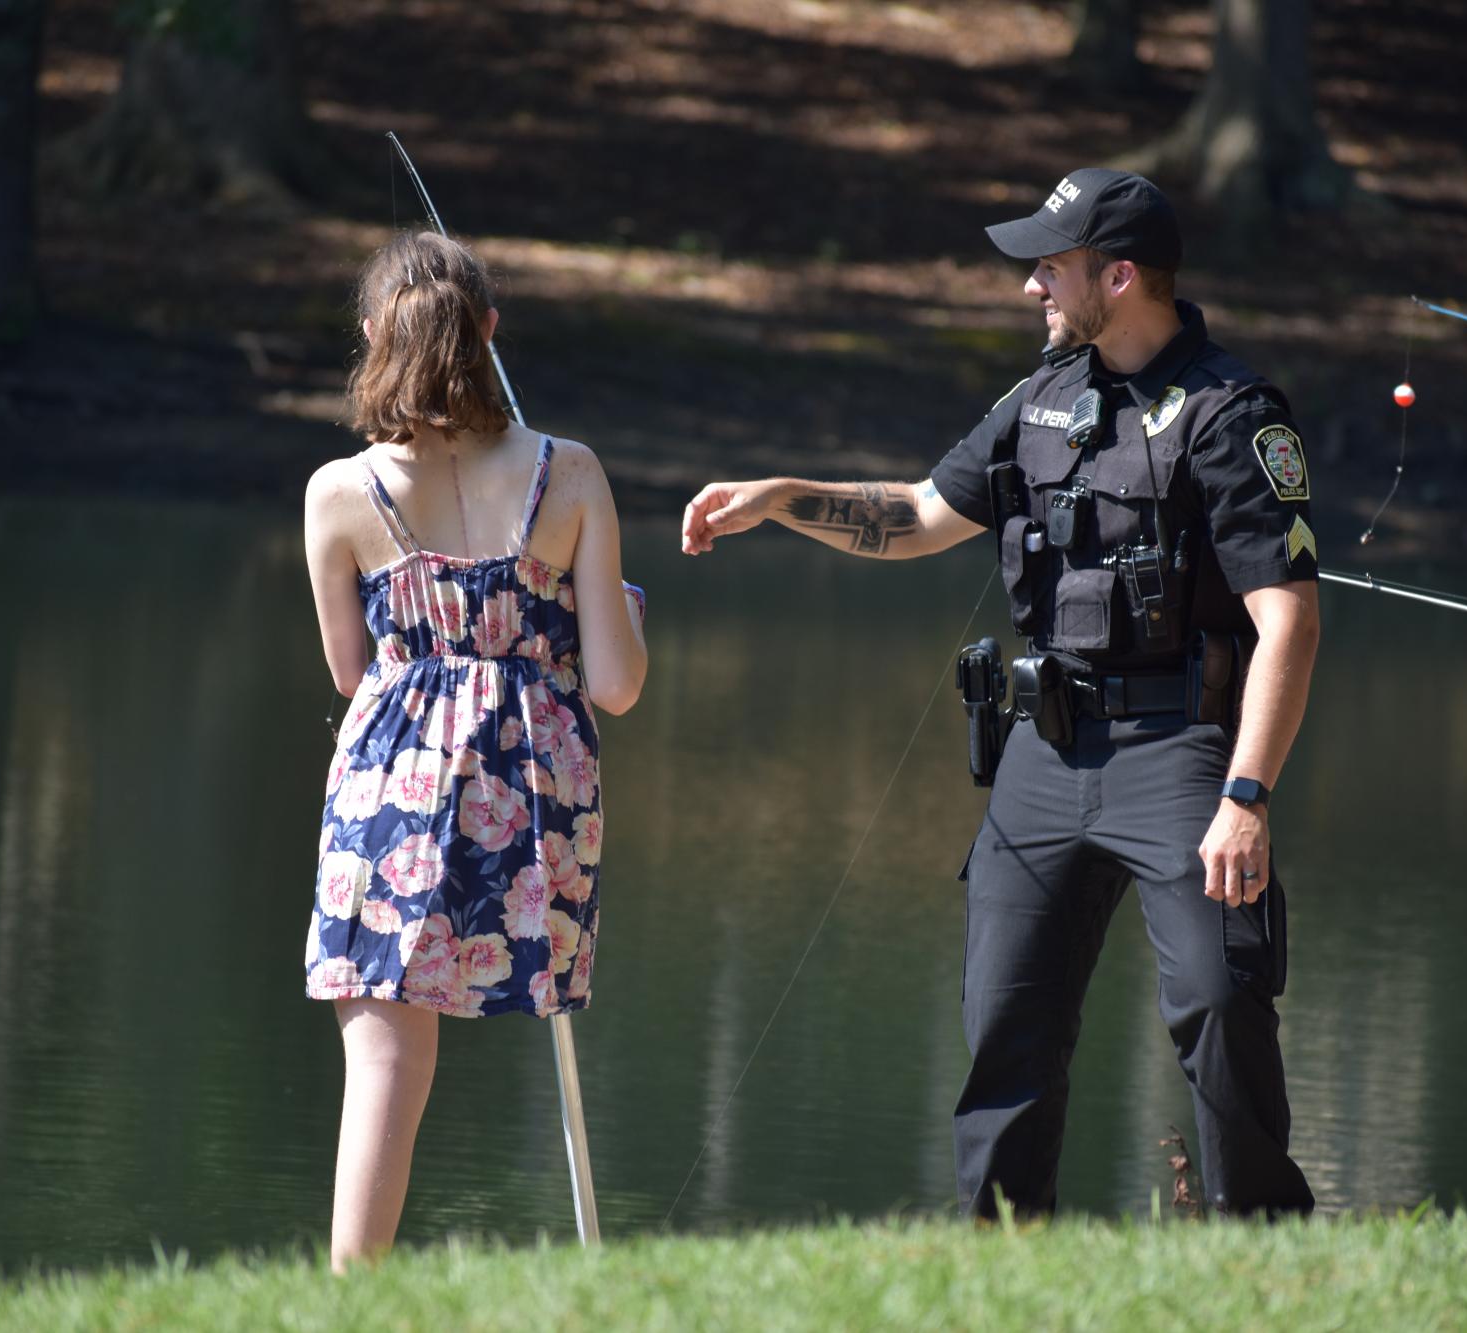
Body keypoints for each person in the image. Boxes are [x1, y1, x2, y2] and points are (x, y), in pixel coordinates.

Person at [680, 168, 1319, 1218]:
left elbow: (1287, 621)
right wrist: (783, 499)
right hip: (1042, 753)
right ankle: (1004, 1258)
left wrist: (1244, 799)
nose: (1030, 286)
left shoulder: (1227, 414)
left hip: (1180, 755)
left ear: (1118, 276)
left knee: (1219, 1002)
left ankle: (1258, 1246)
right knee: (1003, 1022)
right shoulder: (1040, 399)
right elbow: (921, 516)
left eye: (1050, 267)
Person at [302, 229, 647, 1270]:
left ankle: (347, 1299)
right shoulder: (570, 471)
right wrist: (622, 610)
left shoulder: (337, 492)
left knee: (384, 1062)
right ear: (488, 333)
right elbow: (616, 685)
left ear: (372, 339)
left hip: (392, 787)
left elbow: (349, 673)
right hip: (535, 791)